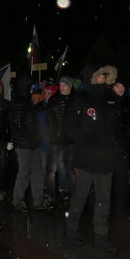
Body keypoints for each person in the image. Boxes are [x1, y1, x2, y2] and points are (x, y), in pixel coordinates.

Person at [64, 66, 124, 253]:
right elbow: (69, 127)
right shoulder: (80, 98)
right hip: (86, 157)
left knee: (103, 199)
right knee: (80, 196)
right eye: (99, 75)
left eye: (104, 75)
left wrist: (119, 100)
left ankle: (100, 236)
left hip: (106, 158)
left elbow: (119, 125)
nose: (103, 78)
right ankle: (71, 229)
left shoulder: (110, 98)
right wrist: (86, 138)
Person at [9, 77, 50, 211]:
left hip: (33, 143)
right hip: (24, 144)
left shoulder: (27, 102)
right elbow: (19, 125)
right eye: (31, 86)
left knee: (37, 171)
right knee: (25, 172)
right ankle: (18, 200)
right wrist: (31, 137)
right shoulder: (19, 103)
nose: (33, 88)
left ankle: (38, 200)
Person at [46, 76, 75, 204]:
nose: (62, 87)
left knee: (70, 169)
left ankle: (71, 193)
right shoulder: (54, 100)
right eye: (60, 85)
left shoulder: (75, 100)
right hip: (56, 140)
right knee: (52, 170)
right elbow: (49, 120)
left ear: (69, 86)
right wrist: (54, 134)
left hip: (70, 141)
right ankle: (51, 194)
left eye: (64, 85)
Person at [110, 80, 130, 211]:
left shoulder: (128, 102)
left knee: (122, 172)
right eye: (117, 86)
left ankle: (121, 199)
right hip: (109, 143)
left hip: (124, 142)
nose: (120, 89)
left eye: (122, 86)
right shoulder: (107, 101)